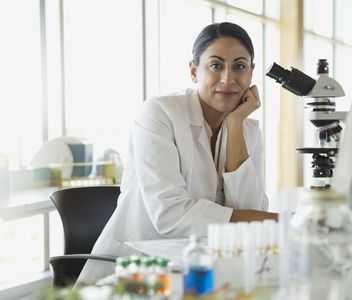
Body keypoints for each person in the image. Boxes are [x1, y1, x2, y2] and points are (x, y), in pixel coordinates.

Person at [77, 22, 278, 285]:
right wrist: (278, 221)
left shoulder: (248, 129)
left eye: (239, 66)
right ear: (194, 71)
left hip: (203, 270)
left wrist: (235, 124)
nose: (228, 78)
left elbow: (250, 210)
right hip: (134, 271)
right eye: (216, 65)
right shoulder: (159, 113)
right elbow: (171, 216)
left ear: (251, 72)